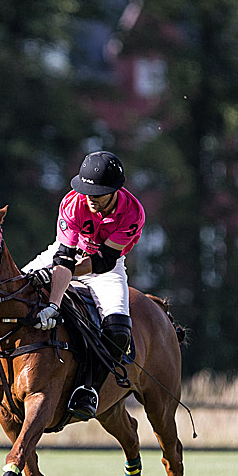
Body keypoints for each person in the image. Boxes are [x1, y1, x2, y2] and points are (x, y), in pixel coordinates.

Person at [22, 150, 145, 421]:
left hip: (105, 268)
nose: (89, 199)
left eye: (98, 194)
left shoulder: (132, 212)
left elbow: (102, 261)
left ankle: (88, 388)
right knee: (17, 289)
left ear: (114, 191)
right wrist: (54, 301)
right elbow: (64, 257)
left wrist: (56, 279)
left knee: (118, 332)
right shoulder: (72, 203)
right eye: (86, 192)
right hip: (66, 256)